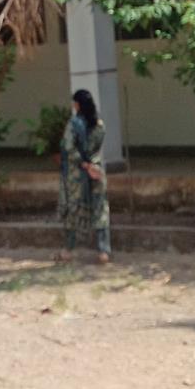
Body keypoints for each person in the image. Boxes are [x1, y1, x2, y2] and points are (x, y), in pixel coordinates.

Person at [58, 88, 110, 263]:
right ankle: (103, 251)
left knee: (73, 210)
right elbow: (97, 147)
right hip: (96, 170)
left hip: (77, 175)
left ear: (78, 105)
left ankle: (68, 250)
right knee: (100, 209)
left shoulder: (73, 125)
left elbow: (68, 147)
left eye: (75, 103)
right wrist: (91, 164)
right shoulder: (100, 125)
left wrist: (83, 164)